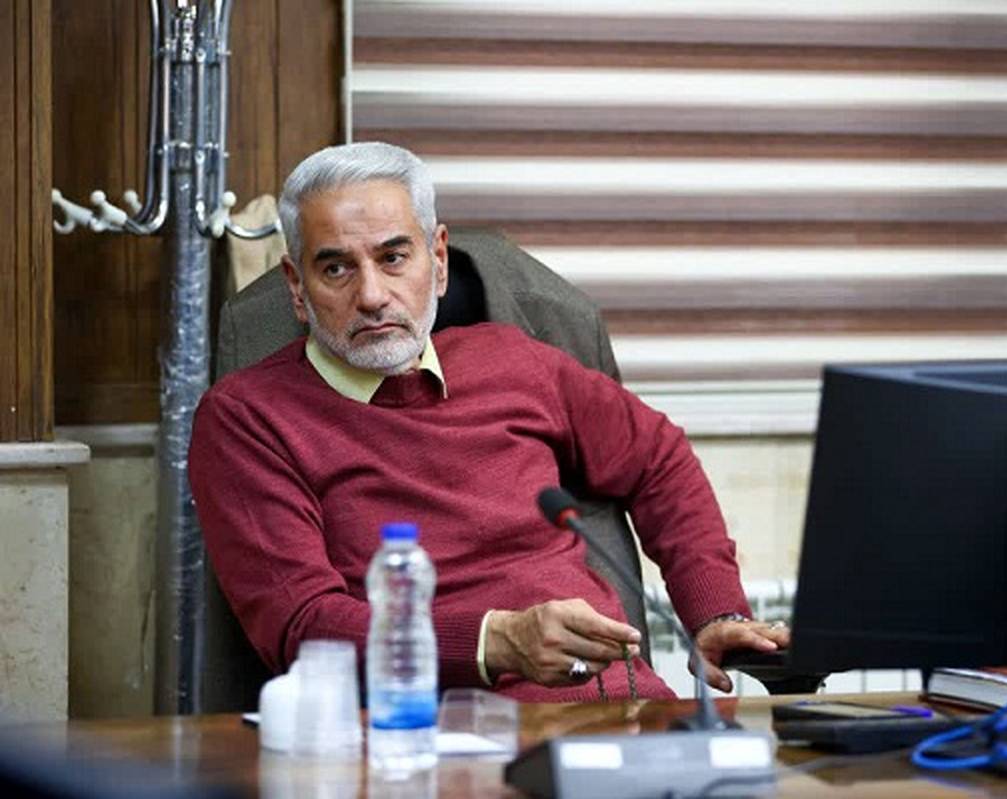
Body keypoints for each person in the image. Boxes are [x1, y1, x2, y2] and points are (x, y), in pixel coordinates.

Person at [188, 142, 788, 702]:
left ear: (438, 260)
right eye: (337, 270)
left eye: (393, 258)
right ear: (297, 287)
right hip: (427, 734)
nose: (372, 295)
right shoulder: (247, 418)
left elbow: (658, 458)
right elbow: (304, 627)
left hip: (620, 712)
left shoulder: (512, 358)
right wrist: (494, 642)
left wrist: (716, 612)